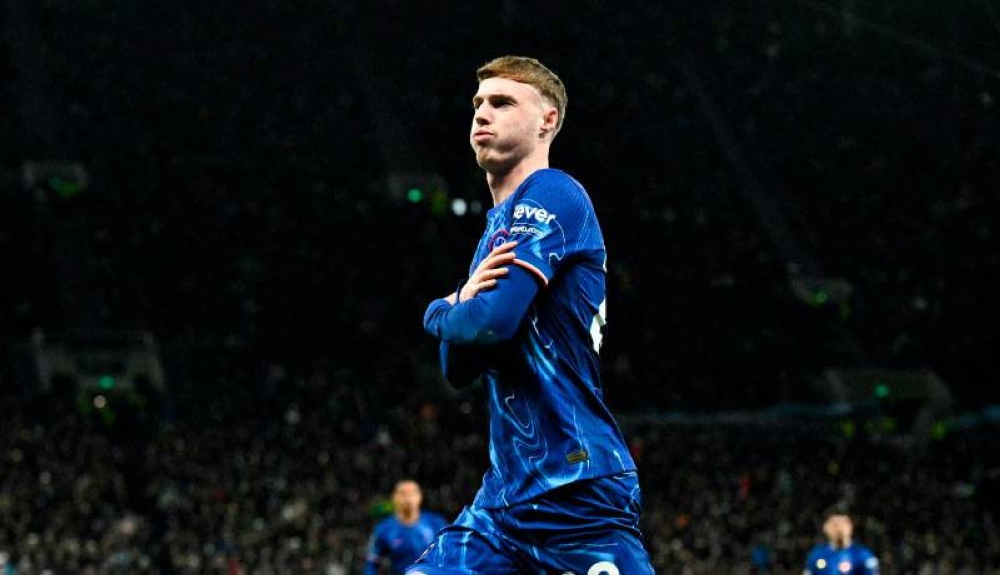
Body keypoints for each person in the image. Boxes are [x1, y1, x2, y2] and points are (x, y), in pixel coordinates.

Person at [414, 55, 654, 574]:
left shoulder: (554, 193)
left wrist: (443, 309)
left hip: (576, 489)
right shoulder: (494, 235)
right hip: (504, 502)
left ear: (548, 120)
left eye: (502, 102)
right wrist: (463, 313)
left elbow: (488, 324)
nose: (482, 113)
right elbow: (458, 369)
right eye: (478, 103)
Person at [363, 479, 448, 575]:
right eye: (403, 494)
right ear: (395, 497)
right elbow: (372, 564)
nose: (408, 498)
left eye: (412, 493)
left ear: (420, 497)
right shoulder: (384, 529)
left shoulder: (435, 523)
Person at [804, 508, 880, 575]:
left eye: (843, 523)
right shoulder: (816, 555)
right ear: (825, 527)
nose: (839, 529)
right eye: (835, 524)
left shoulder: (862, 555)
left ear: (850, 526)